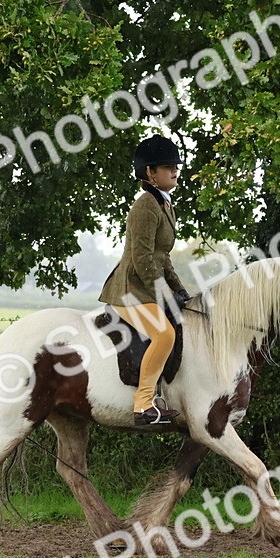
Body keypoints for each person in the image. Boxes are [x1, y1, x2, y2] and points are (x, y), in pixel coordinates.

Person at [99, 135, 192, 426]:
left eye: (176, 165)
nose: (175, 170)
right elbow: (141, 259)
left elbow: (162, 257)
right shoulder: (145, 206)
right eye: (167, 167)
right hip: (129, 289)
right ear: (150, 173)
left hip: (146, 286)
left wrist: (179, 289)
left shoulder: (164, 204)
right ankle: (143, 405)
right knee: (165, 334)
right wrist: (164, 292)